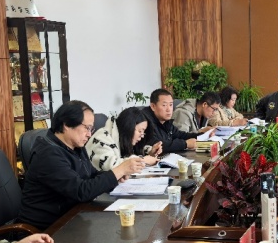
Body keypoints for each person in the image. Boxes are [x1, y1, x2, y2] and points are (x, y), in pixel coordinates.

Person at [18, 101, 145, 230]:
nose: (89, 134)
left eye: (91, 129)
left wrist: (117, 176)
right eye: (87, 128)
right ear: (67, 124)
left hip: (73, 217)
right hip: (46, 230)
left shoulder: (75, 146)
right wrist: (119, 170)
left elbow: (92, 175)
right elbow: (81, 191)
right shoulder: (48, 155)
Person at [86, 106, 161, 171]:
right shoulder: (101, 139)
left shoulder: (120, 138)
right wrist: (142, 160)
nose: (142, 136)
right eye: (140, 131)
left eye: (143, 132)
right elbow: (112, 167)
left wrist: (149, 152)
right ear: (128, 127)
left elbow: (130, 152)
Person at [142, 88, 199, 153]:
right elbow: (157, 145)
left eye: (171, 105)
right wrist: (185, 144)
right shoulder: (144, 121)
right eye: (164, 105)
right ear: (153, 106)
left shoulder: (165, 121)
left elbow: (180, 135)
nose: (169, 109)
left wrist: (203, 135)